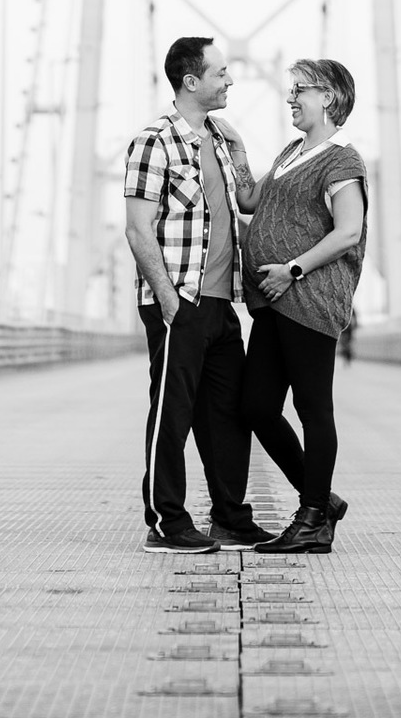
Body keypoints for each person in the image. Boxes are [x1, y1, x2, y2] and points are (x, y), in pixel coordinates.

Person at [123, 37, 275, 553]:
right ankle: (166, 524)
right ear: (191, 81)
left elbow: (248, 203)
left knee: (228, 416)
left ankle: (230, 518)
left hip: (221, 303)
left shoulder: (222, 140)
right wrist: (168, 301)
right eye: (221, 73)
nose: (230, 80)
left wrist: (242, 154)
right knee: (173, 414)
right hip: (179, 300)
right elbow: (138, 230)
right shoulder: (154, 142)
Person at [221, 57, 367, 554]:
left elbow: (349, 231)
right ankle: (321, 499)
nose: (290, 98)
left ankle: (312, 522)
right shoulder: (290, 151)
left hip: (308, 299)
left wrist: (294, 269)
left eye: (300, 90)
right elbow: (247, 200)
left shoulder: (341, 160)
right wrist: (237, 148)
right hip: (272, 303)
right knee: (256, 406)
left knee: (312, 410)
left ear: (328, 97)